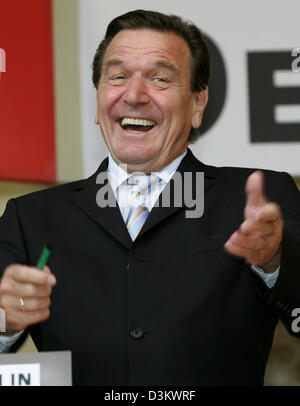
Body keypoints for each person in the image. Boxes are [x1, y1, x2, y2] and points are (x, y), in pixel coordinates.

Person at [0, 9, 299, 386]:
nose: (135, 95)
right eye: (118, 76)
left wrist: (274, 263)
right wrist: (4, 320)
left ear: (197, 104)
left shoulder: (256, 201)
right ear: (98, 99)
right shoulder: (31, 218)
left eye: (160, 79)